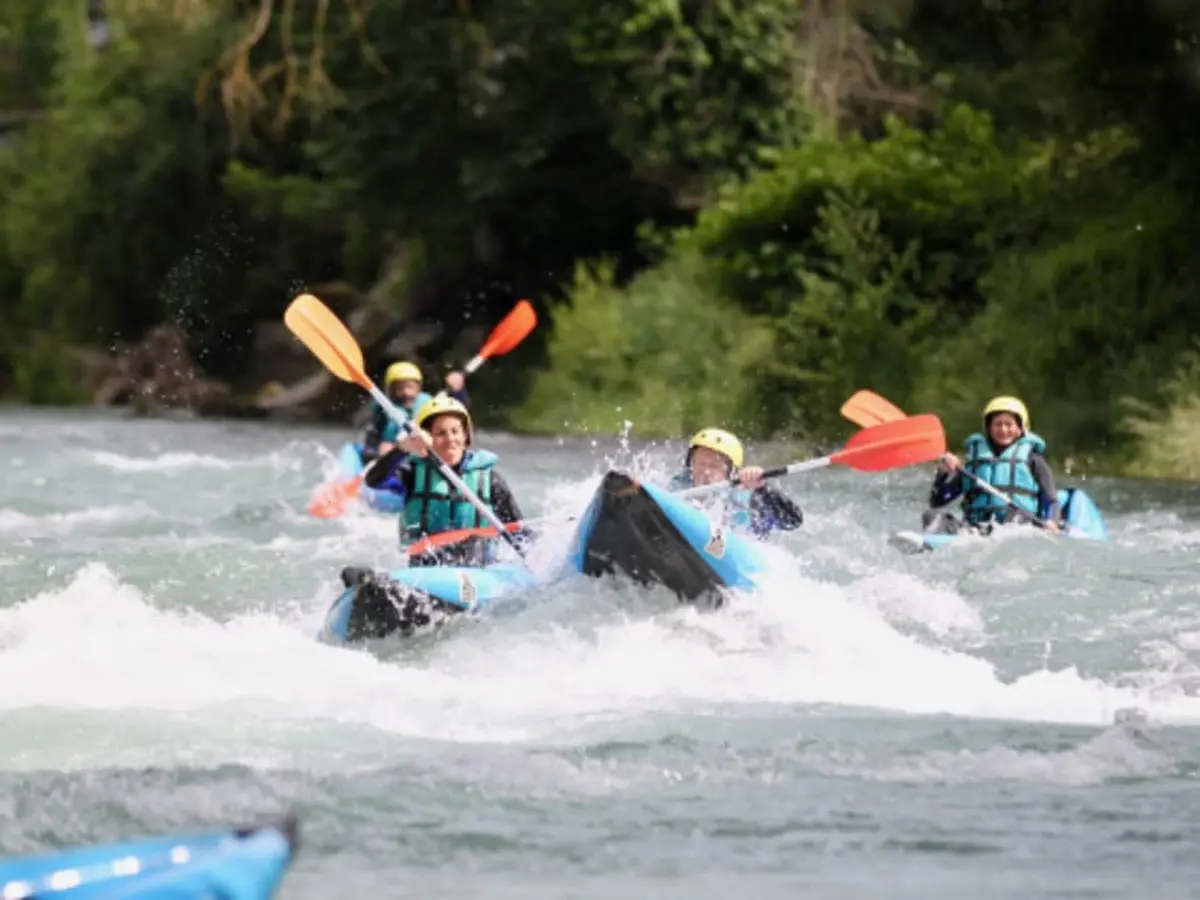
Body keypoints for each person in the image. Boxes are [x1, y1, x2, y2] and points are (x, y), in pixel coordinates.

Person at [363, 395, 528, 565]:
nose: (450, 439)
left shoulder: (490, 480)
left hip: (479, 568)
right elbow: (374, 480)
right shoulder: (412, 474)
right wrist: (402, 449)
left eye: (455, 431)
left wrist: (534, 560)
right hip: (426, 566)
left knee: (474, 543)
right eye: (441, 433)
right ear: (427, 439)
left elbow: (520, 531)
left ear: (465, 436)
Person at [923, 395, 1061, 535]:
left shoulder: (1034, 460)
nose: (1003, 429)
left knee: (1012, 518)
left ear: (1020, 428)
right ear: (989, 428)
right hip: (975, 528)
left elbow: (1051, 499)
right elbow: (938, 501)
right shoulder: (974, 462)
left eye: (1009, 424)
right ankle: (929, 544)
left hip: (1017, 526)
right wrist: (943, 474)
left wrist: (1052, 521)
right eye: (998, 424)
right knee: (931, 516)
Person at [667, 427, 803, 539]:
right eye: (700, 463)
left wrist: (762, 488)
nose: (706, 471)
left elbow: (793, 521)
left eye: (715, 466)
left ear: (732, 472)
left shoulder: (749, 497)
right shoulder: (679, 484)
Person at [359, 362, 469, 462]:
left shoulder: (430, 404)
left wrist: (457, 391)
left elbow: (460, 412)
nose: (406, 392)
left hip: (424, 453)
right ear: (391, 390)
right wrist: (375, 455)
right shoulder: (383, 409)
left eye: (410, 387)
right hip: (395, 457)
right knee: (384, 448)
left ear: (418, 387)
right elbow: (371, 440)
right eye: (399, 388)